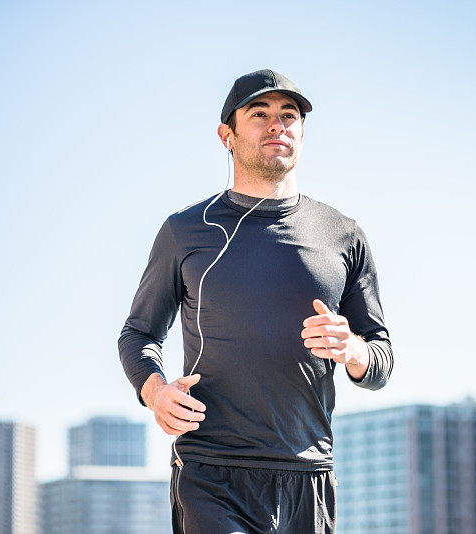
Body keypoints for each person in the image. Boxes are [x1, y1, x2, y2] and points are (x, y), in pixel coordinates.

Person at [117, 69, 393, 534]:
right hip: (210, 470)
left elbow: (381, 357)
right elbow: (139, 333)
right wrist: (155, 391)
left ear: (302, 133)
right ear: (227, 135)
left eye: (289, 115)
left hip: (309, 473)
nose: (277, 125)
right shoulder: (186, 230)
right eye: (259, 114)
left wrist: (353, 350)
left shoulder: (344, 235)